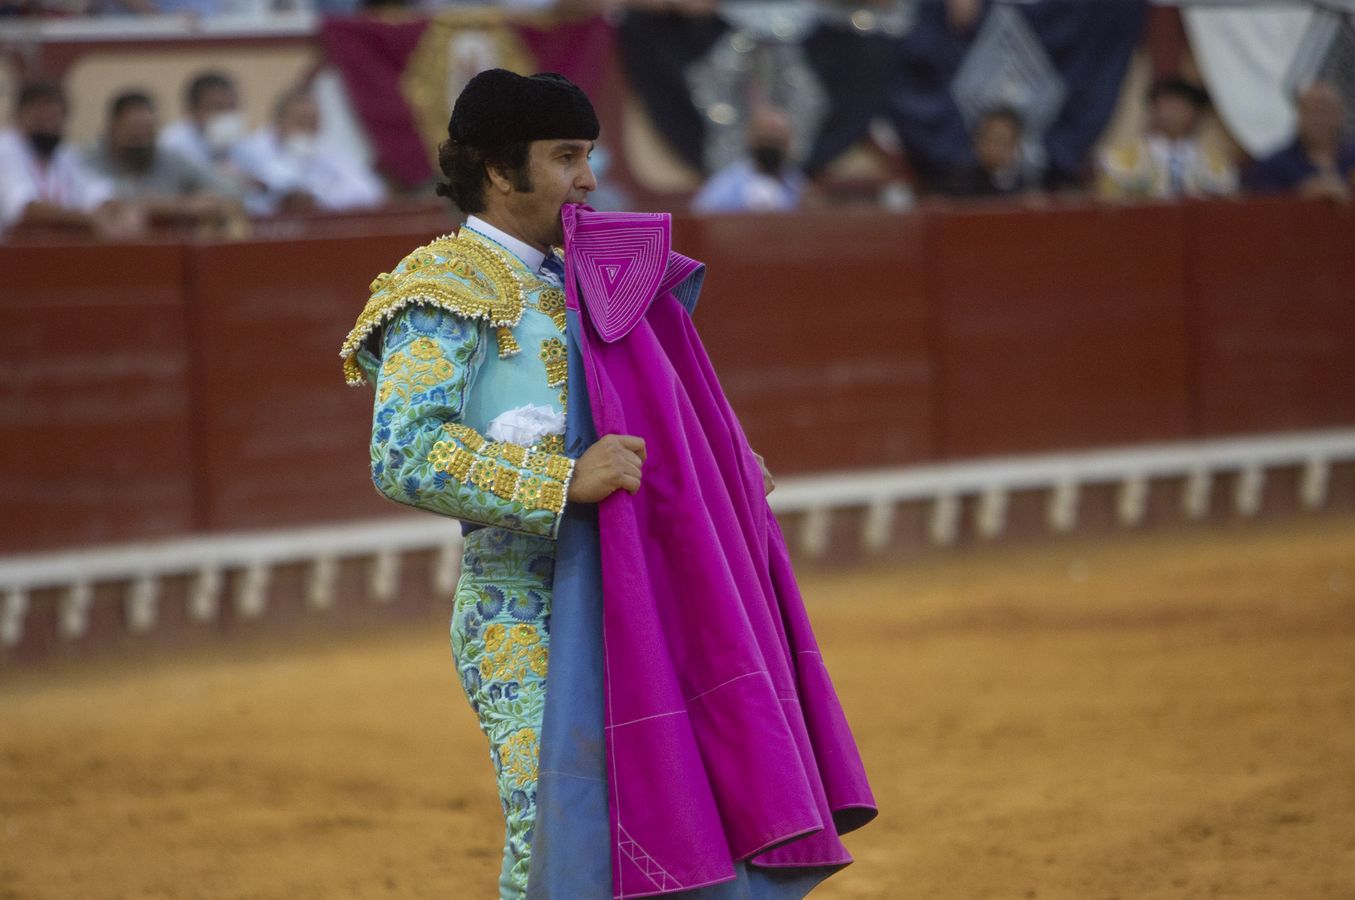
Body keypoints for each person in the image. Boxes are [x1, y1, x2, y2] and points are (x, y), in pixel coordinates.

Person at [339, 69, 874, 899]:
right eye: (564, 157)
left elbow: (646, 423)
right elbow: (404, 450)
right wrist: (560, 480)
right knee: (562, 835)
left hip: (643, 596)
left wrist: (716, 467)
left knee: (667, 822)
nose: (588, 179)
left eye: (587, 154)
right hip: (524, 612)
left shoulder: (588, 279)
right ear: (495, 166)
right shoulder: (441, 291)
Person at [84, 90, 239, 232]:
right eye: (134, 131)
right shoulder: (90, 160)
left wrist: (201, 200)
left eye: (148, 131)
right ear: (113, 129)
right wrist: (182, 206)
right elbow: (113, 202)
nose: (141, 140)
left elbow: (230, 189)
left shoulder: (169, 158)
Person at [0, 81, 134, 239]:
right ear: (20, 114)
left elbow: (93, 192)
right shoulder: (5, 150)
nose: (47, 126)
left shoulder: (64, 156)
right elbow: (25, 208)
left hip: (52, 249)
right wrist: (88, 220)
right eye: (40, 118)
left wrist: (118, 210)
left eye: (54, 118)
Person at [231, 86, 385, 216]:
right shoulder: (251, 149)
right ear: (279, 122)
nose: (307, 129)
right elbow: (272, 186)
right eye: (301, 121)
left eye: (313, 122)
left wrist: (320, 200)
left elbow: (369, 191)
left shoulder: (326, 152)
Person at [1243, 81, 1355, 200]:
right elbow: (1260, 208)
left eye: (1325, 110)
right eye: (1312, 110)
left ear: (1340, 115)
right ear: (1299, 116)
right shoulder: (1273, 166)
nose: (1319, 119)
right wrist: (1304, 195)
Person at [1097, 75, 1237, 202]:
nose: (1171, 114)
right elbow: (1109, 201)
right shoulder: (1125, 157)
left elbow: (1228, 199)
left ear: (1194, 113)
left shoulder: (1212, 159)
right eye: (1166, 106)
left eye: (1179, 107)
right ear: (1153, 109)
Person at [691, 106, 806, 213]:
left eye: (778, 139)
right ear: (751, 139)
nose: (771, 145)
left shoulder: (797, 184)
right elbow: (703, 216)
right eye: (765, 138)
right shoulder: (727, 184)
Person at [159, 70, 250, 185]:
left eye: (232, 106)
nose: (226, 114)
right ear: (193, 110)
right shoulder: (172, 144)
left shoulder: (242, 141)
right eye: (218, 107)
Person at [936, 106, 1039, 197]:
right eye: (989, 139)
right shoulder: (959, 182)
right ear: (977, 141)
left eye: (1002, 141)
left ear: (1016, 145)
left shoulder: (1025, 187)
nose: (994, 147)